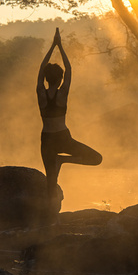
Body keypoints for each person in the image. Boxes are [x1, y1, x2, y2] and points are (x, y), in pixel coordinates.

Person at [37, 28, 102, 202]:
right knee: (96, 159)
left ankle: (61, 161)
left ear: (45, 79)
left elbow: (41, 69)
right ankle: (64, 161)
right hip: (63, 137)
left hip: (47, 139)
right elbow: (69, 69)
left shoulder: (41, 93)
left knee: (51, 182)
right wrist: (60, 46)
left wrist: (52, 46)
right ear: (60, 79)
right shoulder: (62, 93)